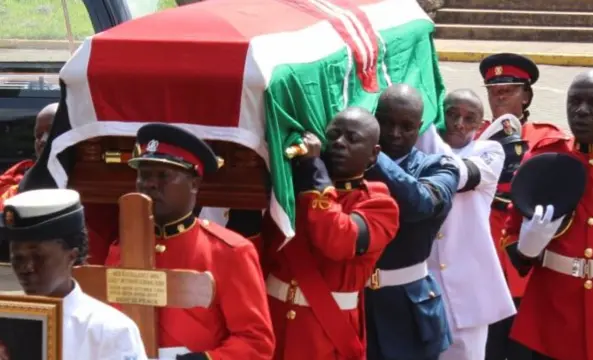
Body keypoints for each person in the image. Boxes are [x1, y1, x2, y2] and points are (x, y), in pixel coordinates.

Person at [104, 123, 275, 359]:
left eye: (164, 175)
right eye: (144, 175)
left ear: (194, 184)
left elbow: (256, 342)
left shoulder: (230, 251)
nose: (150, 184)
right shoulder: (121, 248)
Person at [502, 69, 593, 360]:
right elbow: (511, 233)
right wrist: (527, 247)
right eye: (574, 102)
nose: (581, 111)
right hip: (556, 311)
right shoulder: (544, 158)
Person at [259, 107, 400, 360]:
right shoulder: (292, 190)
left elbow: (337, 240)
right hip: (273, 323)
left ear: (373, 155)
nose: (339, 144)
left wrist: (316, 173)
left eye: (352, 139)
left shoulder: (380, 203)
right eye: (333, 135)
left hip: (325, 334)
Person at [476, 53, 566, 360]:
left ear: (526, 95)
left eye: (509, 91)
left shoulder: (547, 139)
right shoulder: (476, 138)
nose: (499, 98)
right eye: (493, 91)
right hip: (484, 268)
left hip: (526, 273)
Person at [363, 84, 460, 360]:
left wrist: (372, 151)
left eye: (406, 126)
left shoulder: (440, 167)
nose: (395, 134)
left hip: (408, 307)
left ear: (419, 127)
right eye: (386, 123)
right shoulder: (353, 162)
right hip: (355, 300)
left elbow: (420, 203)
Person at [0, 188, 147, 360]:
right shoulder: (7, 321)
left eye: (38, 256)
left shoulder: (109, 330)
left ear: (72, 255)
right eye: (17, 258)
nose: (26, 267)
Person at [428, 89, 515, 360]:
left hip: (470, 287)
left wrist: (426, 132)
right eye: (452, 114)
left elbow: (458, 174)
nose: (459, 124)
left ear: (481, 124)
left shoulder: (490, 150)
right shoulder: (422, 147)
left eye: (469, 118)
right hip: (426, 281)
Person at [0, 103, 56, 197]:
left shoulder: (85, 181)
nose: (42, 140)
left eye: (51, 132)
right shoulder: (14, 182)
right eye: (38, 135)